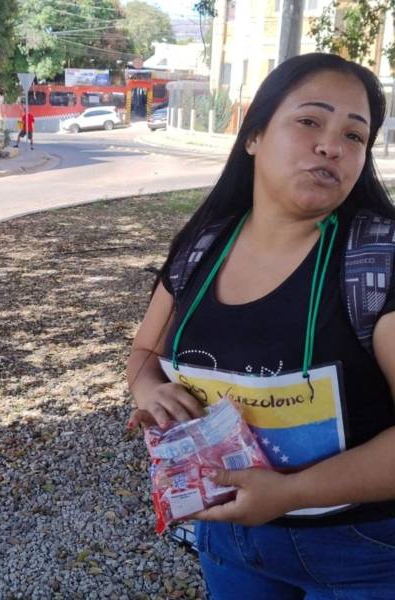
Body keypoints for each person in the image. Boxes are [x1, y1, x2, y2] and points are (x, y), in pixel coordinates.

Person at [127, 53, 395, 598]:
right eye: (309, 121)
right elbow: (143, 354)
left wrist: (289, 493)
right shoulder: (201, 248)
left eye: (354, 135)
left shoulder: (378, 259)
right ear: (253, 134)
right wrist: (151, 390)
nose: (331, 146)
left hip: (362, 553)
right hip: (229, 542)